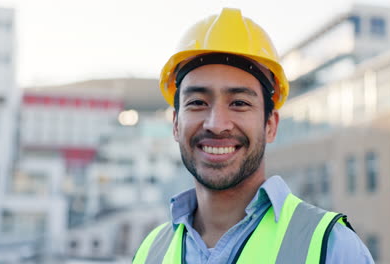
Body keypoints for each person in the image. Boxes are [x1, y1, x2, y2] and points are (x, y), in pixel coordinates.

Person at [133, 8, 374, 264]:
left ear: (270, 125)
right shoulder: (150, 252)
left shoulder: (334, 248)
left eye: (239, 103)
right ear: (175, 125)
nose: (216, 124)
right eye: (197, 102)